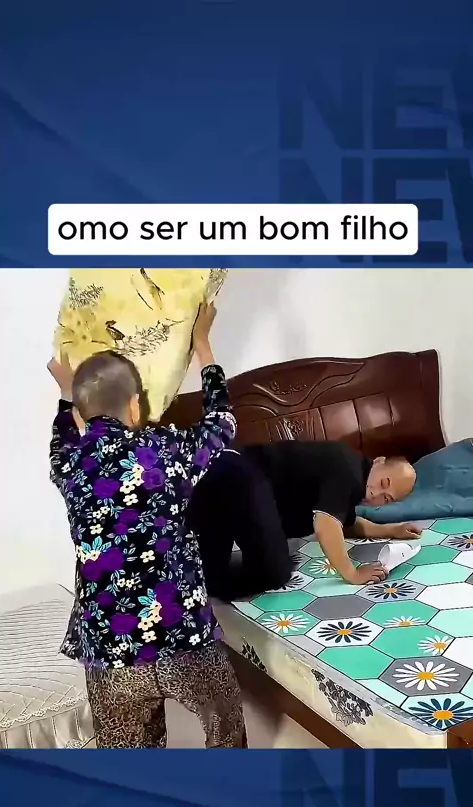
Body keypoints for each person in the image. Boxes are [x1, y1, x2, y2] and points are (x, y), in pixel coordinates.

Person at [48, 303, 247, 749]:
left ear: (81, 411)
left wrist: (65, 392)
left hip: (110, 649)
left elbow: (62, 436)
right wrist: (202, 345)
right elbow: (222, 423)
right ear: (135, 405)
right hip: (182, 634)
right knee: (226, 729)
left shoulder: (69, 464)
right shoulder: (167, 449)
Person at [187, 440, 420, 601]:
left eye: (386, 498)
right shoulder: (349, 472)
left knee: (209, 576)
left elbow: (345, 524)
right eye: (383, 483)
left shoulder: (350, 478)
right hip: (232, 477)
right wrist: (353, 574)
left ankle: (198, 580)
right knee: (273, 572)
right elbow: (326, 525)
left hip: (220, 484)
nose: (376, 493)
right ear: (378, 461)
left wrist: (391, 530)